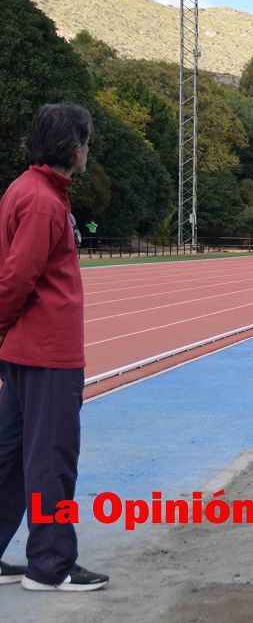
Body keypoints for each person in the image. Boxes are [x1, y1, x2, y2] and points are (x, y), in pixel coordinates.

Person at [0, 102, 109, 591]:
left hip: (25, 352)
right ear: (73, 146)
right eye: (86, 142)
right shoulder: (44, 201)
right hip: (47, 354)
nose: (88, 151)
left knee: (9, 459)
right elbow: (16, 278)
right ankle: (51, 566)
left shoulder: (27, 190)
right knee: (52, 459)